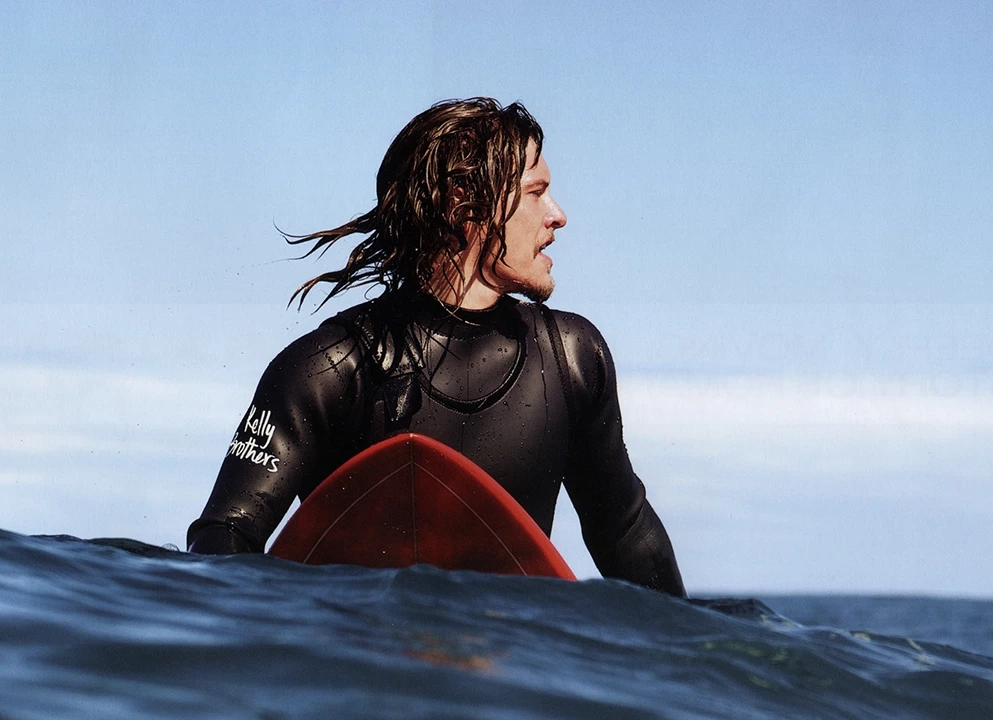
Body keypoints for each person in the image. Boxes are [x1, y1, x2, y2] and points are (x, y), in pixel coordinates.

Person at [187, 98, 686, 597]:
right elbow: (225, 535)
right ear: (464, 206)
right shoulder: (329, 370)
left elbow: (625, 534)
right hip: (358, 640)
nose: (558, 216)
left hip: (510, 643)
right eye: (536, 192)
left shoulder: (571, 358)